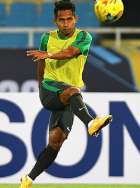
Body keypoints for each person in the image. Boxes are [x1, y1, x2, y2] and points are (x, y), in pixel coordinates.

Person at [20, 0, 112, 187]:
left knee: (56, 140)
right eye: (61, 20)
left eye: (69, 19)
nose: (66, 23)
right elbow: (41, 64)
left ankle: (28, 179)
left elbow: (71, 52)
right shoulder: (47, 38)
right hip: (50, 88)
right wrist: (40, 88)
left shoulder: (84, 37)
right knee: (73, 91)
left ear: (75, 19)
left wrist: (49, 55)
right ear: (56, 21)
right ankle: (91, 122)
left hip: (68, 97)